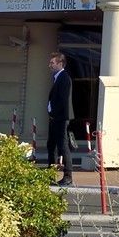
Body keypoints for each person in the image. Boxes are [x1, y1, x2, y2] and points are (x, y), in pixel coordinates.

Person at [45, 52, 73, 185]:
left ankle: (68, 176)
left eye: (52, 63)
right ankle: (51, 175)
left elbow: (63, 100)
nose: (50, 65)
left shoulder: (64, 78)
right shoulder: (57, 77)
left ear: (60, 64)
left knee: (63, 146)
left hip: (60, 118)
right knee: (51, 145)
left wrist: (54, 113)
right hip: (54, 118)